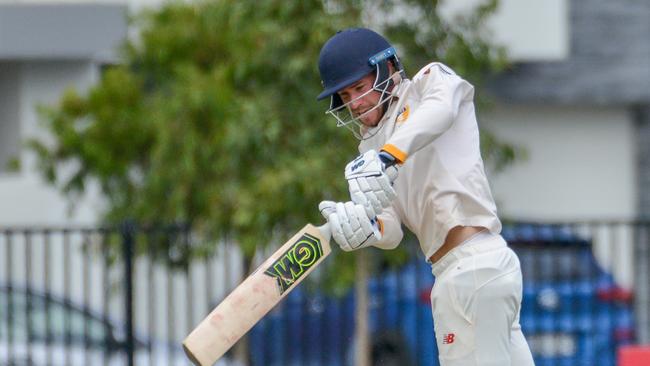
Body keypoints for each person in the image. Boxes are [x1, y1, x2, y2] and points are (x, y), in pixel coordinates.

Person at [316, 28, 535, 366]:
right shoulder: (369, 149)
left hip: (471, 272)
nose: (356, 102)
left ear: (387, 69)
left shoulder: (429, 83)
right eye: (346, 96)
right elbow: (391, 229)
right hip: (475, 273)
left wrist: (388, 156)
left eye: (360, 88)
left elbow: (441, 110)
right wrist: (365, 227)